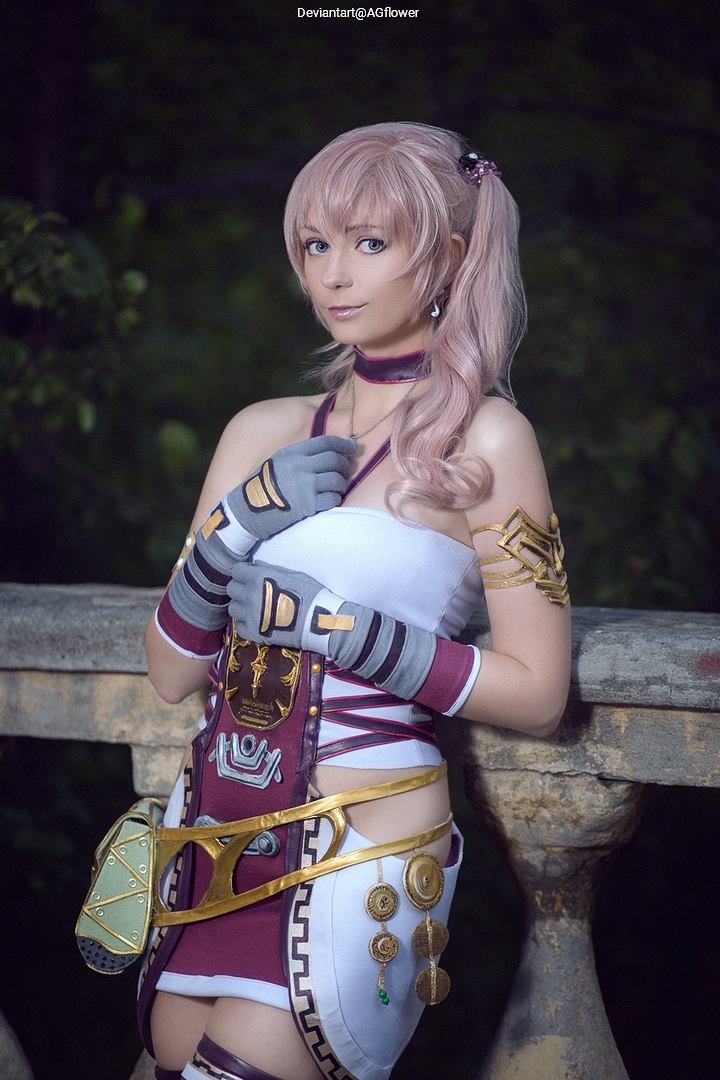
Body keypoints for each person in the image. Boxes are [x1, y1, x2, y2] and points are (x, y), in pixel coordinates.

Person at [139, 121, 571, 1080]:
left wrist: (338, 627)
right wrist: (233, 530)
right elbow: (171, 670)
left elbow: (539, 691)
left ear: (451, 255)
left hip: (356, 858)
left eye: (371, 243)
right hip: (211, 841)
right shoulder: (260, 431)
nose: (334, 273)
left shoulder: (489, 442)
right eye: (316, 245)